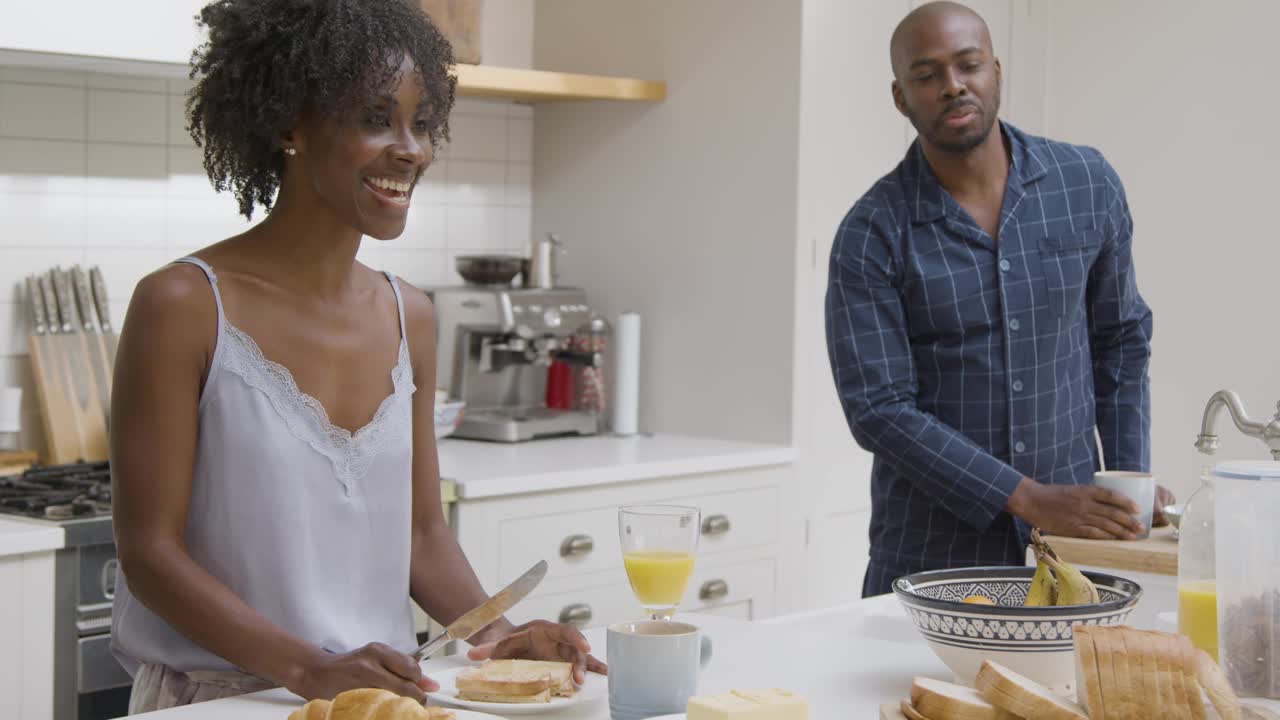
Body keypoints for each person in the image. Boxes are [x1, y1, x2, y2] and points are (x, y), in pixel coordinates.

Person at [108, 0, 603, 712]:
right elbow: (150, 555)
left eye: (422, 122)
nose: (412, 149)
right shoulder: (183, 305)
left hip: (374, 702)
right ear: (289, 125)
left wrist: (496, 634)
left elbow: (423, 535)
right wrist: (309, 670)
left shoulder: (413, 315)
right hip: (223, 702)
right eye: (377, 118)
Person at [824, 1, 1173, 598]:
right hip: (932, 558)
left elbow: (1121, 340)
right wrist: (1028, 498)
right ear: (901, 96)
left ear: (997, 73)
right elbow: (879, 408)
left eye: (969, 65)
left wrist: (1126, 485)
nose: (953, 86)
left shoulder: (1086, 183)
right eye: (927, 75)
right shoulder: (872, 232)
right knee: (918, 697)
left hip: (1077, 552)